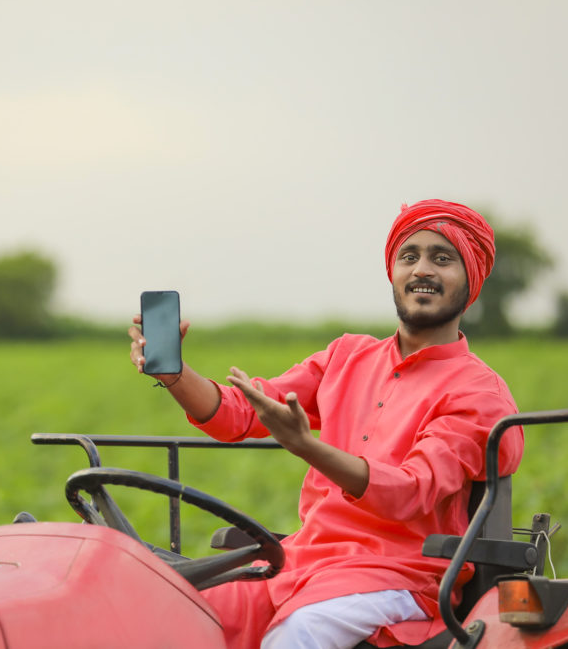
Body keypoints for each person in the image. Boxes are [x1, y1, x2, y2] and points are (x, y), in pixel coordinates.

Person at [128, 199, 524, 649]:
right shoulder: (347, 356)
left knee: (300, 635)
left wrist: (307, 446)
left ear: (470, 280)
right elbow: (239, 413)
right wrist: (175, 374)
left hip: (402, 574)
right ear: (392, 271)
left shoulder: (479, 392)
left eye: (442, 258)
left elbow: (410, 491)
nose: (422, 270)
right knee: (181, 616)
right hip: (304, 560)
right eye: (409, 256)